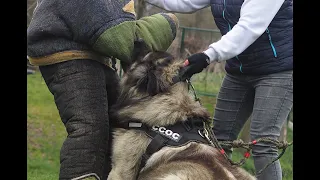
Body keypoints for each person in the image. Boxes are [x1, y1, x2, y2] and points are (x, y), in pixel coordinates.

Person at [27, 0, 179, 179]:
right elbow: (117, 37)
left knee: (118, 123)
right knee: (90, 128)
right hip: (68, 56)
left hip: (95, 56)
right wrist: (164, 25)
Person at [145, 0, 293, 179]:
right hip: (240, 70)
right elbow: (185, 1)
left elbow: (249, 27)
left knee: (262, 142)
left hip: (279, 69)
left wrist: (208, 56)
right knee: (219, 139)